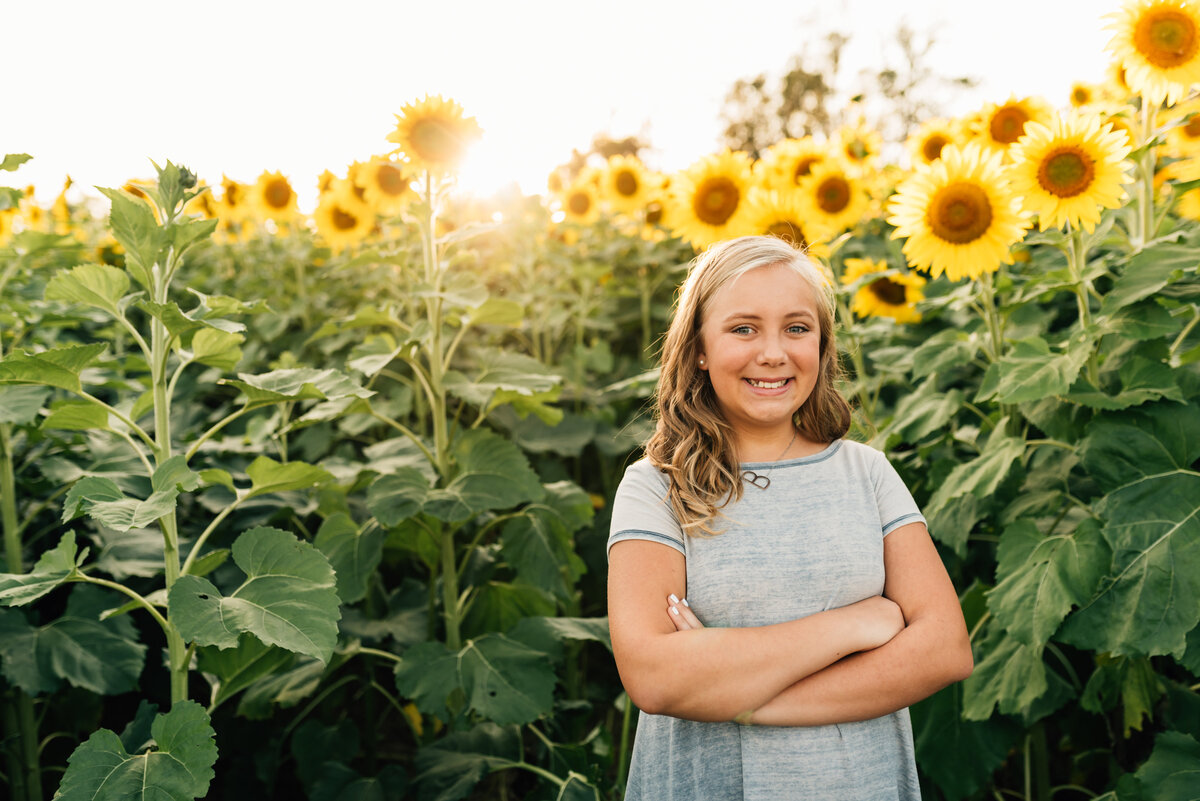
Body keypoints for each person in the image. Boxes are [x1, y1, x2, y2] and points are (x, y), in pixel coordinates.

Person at [606, 235, 973, 800]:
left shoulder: (868, 475)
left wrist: (743, 700)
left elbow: (943, 649)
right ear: (698, 347)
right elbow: (656, 677)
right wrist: (852, 626)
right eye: (743, 328)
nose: (773, 352)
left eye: (797, 328)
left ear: (823, 346)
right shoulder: (657, 487)